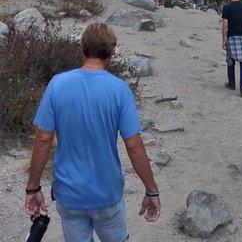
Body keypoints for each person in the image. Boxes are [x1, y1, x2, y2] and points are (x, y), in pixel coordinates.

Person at [25, 23, 160, 241]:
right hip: (107, 193)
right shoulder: (120, 90)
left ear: (82, 47)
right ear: (112, 52)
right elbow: (133, 145)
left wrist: (32, 189)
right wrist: (151, 190)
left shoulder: (57, 84)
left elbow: (43, 139)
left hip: (69, 194)